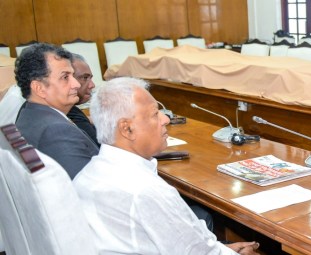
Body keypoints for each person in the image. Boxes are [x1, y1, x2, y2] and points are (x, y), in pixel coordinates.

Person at [73, 77, 260, 255]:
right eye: (155, 114)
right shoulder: (146, 190)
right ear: (127, 129)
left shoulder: (89, 173)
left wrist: (222, 249)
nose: (165, 119)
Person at [14, 43, 99, 179]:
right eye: (65, 77)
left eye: (72, 76)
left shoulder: (29, 113)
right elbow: (89, 189)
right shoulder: (57, 131)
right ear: (39, 88)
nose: (76, 84)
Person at [67, 53, 99, 145]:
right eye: (85, 78)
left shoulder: (71, 110)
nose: (92, 85)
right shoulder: (70, 113)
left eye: (90, 78)